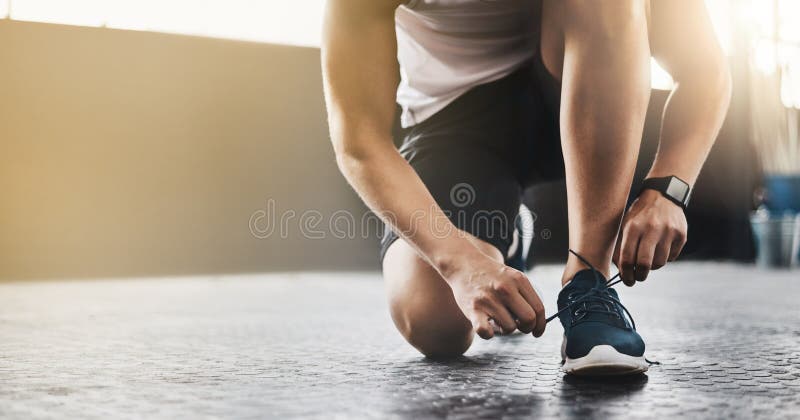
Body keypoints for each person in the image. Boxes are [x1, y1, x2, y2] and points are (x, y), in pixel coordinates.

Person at [321, 0, 730, 375]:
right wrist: (460, 262)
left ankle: (588, 285)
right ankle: (512, 237)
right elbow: (359, 143)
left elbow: (704, 69)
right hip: (455, 120)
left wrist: (667, 190)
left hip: (587, 85)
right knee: (433, 321)